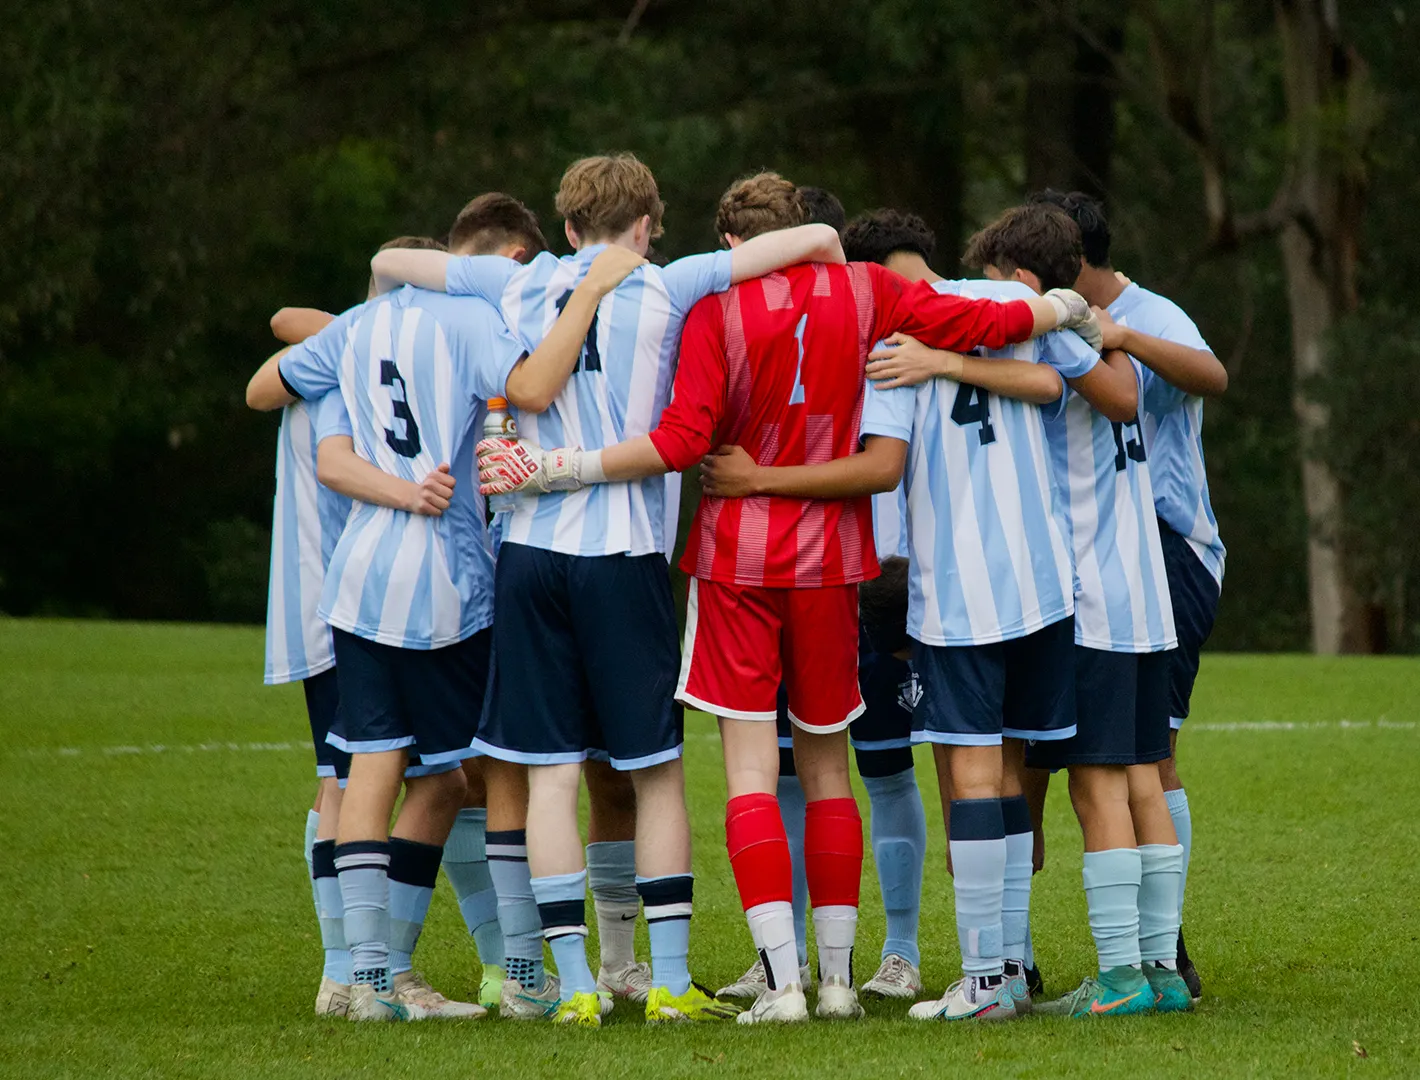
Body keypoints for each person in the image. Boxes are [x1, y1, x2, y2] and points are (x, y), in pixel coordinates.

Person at [475, 172, 1100, 1025]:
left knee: (747, 777)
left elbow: (686, 440)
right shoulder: (869, 289)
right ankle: (840, 980)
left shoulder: (708, 312)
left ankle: (782, 983)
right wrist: (1064, 309)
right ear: (803, 229)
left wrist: (555, 468)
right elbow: (984, 320)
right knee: (828, 770)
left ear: (733, 246)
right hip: (835, 561)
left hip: (738, 560)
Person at [368, 154, 845, 1026]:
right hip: (622, 557)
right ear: (649, 223)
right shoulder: (671, 283)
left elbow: (397, 263)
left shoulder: (514, 282)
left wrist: (379, 296)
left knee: (549, 775)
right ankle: (665, 981)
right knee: (655, 773)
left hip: (529, 555)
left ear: (569, 225)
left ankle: (577, 989)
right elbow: (815, 236)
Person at [696, 205, 1102, 1022]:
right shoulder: (995, 313)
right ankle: (1006, 969)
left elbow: (880, 469)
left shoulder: (884, 344)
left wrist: (935, 362)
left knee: (966, 775)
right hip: (1040, 584)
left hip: (952, 592)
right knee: (1011, 774)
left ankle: (984, 977)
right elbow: (1062, 374)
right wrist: (1042, 316)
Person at [245, 194, 639, 1022]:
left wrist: (398, 489)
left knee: (368, 768)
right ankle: (526, 974)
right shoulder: (465, 325)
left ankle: (363, 980)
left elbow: (327, 451)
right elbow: (531, 382)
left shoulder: (355, 329)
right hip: (445, 584)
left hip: (357, 581)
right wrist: (593, 296)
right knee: (485, 769)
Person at [962, 202, 1193, 1017]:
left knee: (1095, 786)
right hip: (1144, 597)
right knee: (1140, 782)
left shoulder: (1057, 337)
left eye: (995, 282)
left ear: (1022, 280)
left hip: (1090, 597)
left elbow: (1120, 403)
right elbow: (1130, 393)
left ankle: (1123, 978)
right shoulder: (1103, 330)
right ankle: (1161, 972)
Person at [718, 184, 927, 1004]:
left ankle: (899, 949)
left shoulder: (900, 340)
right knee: (798, 771)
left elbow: (883, 468)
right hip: (813, 570)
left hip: (886, 576)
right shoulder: (842, 324)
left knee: (880, 767)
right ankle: (792, 959)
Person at [264, 235, 471, 1019]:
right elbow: (324, 452)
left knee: (370, 778)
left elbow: (273, 348)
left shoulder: (341, 353)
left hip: (346, 601)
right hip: (364, 606)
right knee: (397, 779)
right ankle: (363, 972)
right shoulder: (362, 363)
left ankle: (355, 976)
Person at [1030, 189, 1226, 1001]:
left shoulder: (1150, 313)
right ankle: (1134, 958)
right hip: (1095, 555)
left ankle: (1156, 951)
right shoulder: (1045, 323)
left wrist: (1121, 335)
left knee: (1148, 756)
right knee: (1111, 758)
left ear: (1073, 262)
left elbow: (1212, 375)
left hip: (1163, 552)